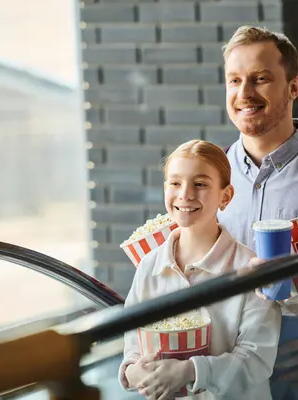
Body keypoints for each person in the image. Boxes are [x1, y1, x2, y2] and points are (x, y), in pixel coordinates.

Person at [217, 25, 298, 399]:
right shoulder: (208, 174)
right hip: (226, 367)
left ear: (294, 87)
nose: (244, 93)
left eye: (260, 79)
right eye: (234, 80)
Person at [119, 139, 281, 400]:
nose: (185, 194)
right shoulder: (149, 266)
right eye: (175, 183)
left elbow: (256, 361)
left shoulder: (249, 269)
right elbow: (133, 345)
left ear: (225, 196)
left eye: (200, 184)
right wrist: (133, 371)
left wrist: (189, 371)